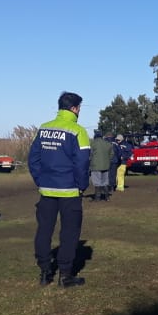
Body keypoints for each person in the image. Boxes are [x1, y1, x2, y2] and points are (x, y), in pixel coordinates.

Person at [28, 91, 90, 287]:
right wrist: (81, 185)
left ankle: (45, 271)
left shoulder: (44, 129)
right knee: (69, 233)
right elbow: (82, 163)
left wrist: (40, 180)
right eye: (79, 108)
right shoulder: (78, 131)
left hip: (46, 190)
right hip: (70, 191)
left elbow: (33, 159)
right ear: (74, 109)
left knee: (44, 230)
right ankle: (65, 274)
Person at [89, 130, 115, 201]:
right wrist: (107, 160)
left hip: (95, 166)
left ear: (95, 135)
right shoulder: (108, 143)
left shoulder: (92, 143)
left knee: (97, 182)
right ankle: (107, 198)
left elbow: (90, 155)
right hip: (106, 166)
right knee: (105, 182)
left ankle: (97, 198)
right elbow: (112, 154)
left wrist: (90, 161)